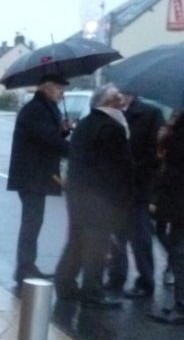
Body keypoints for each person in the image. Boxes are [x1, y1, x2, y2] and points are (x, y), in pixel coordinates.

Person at [55, 84, 133, 308]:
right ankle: (93, 293)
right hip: (101, 197)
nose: (121, 99)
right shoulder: (113, 127)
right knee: (96, 246)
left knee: (77, 241)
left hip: (78, 193)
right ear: (107, 103)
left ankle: (65, 284)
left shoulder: (87, 123)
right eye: (116, 97)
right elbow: (120, 167)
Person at [6, 75, 71, 283]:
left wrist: (63, 131)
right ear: (47, 88)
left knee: (33, 222)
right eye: (60, 87)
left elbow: (48, 137)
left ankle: (27, 266)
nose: (62, 92)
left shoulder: (44, 108)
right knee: (32, 222)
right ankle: (24, 268)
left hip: (35, 175)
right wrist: (75, 149)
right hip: (31, 176)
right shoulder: (36, 110)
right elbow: (48, 140)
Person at [106, 91, 165, 297]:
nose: (118, 96)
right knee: (116, 236)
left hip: (138, 186)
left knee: (140, 236)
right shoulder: (113, 113)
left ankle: (146, 282)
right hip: (116, 186)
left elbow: (156, 153)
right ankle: (117, 276)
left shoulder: (150, 113)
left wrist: (134, 169)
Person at [150, 112, 184, 323]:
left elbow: (172, 170)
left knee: (179, 252)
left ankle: (181, 305)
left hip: (178, 200)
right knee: (177, 249)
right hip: (176, 201)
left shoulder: (178, 135)